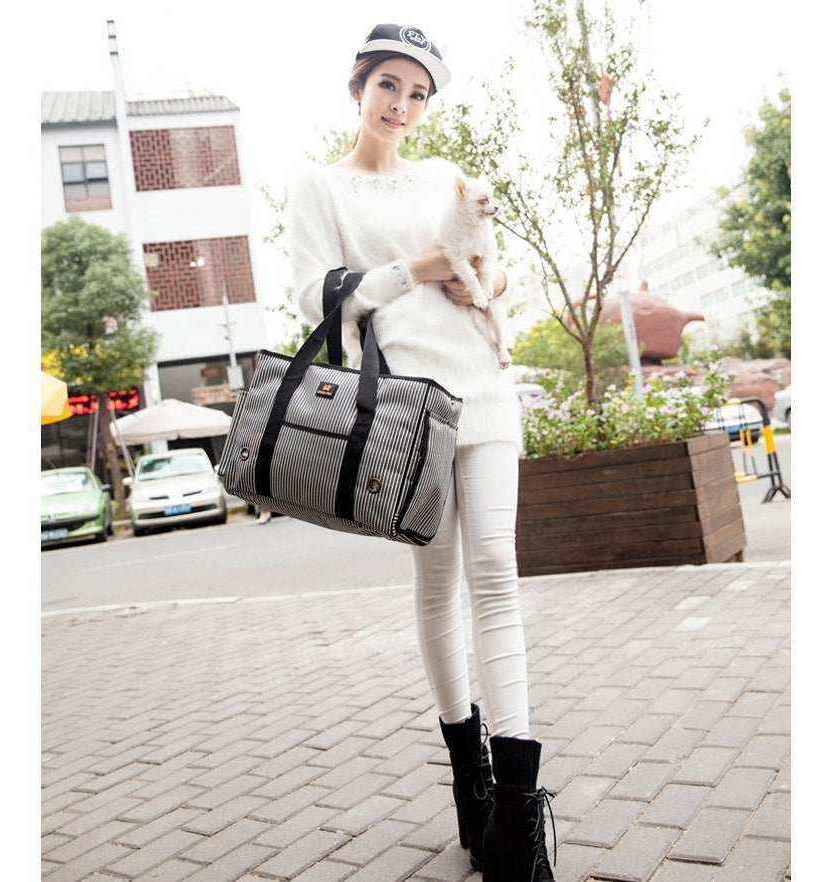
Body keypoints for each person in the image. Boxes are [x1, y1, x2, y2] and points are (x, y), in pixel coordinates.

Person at [286, 23, 555, 880]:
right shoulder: (320, 186)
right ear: (357, 87)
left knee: (497, 572)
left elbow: (494, 268)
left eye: (417, 93)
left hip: (484, 386)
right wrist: (418, 268)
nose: (401, 106)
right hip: (408, 405)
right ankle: (470, 785)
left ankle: (515, 818)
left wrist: (482, 274)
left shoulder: (443, 177)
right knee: (438, 585)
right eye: (388, 86)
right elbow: (315, 298)